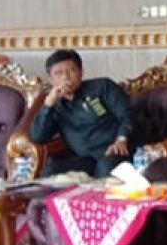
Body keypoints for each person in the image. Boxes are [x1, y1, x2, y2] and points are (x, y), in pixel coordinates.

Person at [30, 49, 133, 177]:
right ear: (51, 80)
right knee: (49, 172)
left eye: (71, 71)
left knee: (105, 167)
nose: (65, 77)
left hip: (115, 152)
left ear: (81, 73)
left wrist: (121, 138)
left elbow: (128, 114)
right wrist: (48, 105)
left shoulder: (102, 87)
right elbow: (38, 136)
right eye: (58, 73)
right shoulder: (55, 106)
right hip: (86, 160)